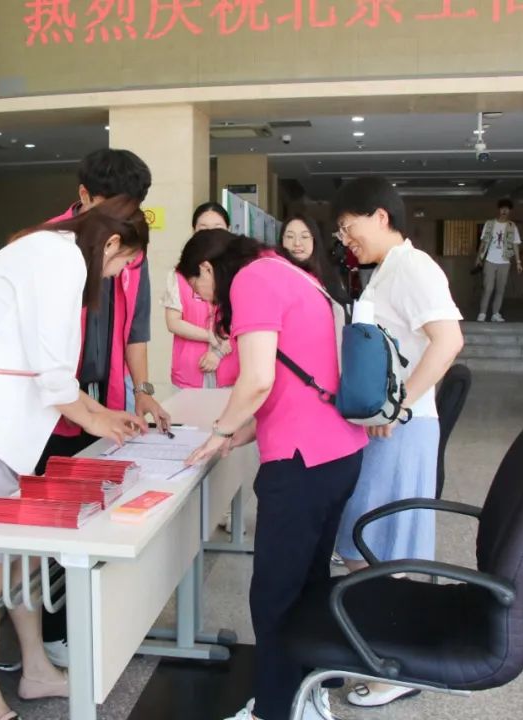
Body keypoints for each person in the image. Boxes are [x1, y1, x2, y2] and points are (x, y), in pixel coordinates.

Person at [0, 197, 150, 720]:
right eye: (122, 263)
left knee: (21, 555)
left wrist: (103, 414)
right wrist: (99, 421)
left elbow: (47, 372)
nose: (117, 275)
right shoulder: (60, 259)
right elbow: (53, 374)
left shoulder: (51, 251)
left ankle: (37, 671)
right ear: (112, 242)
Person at [180, 230, 369, 720]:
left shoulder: (251, 280)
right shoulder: (292, 273)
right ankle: (308, 695)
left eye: (197, 287)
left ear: (207, 267)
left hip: (302, 464)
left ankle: (273, 711)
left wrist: (220, 431)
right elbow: (297, 379)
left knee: (274, 595)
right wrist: (236, 435)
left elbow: (259, 378)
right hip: (340, 451)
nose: (203, 299)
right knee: (308, 583)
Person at [331, 177, 464, 708]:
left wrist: (400, 403)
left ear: (380, 216)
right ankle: (381, 649)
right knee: (365, 540)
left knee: (386, 547)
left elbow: (448, 340)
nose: (346, 238)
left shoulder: (413, 267)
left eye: (349, 226)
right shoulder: (387, 270)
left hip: (403, 428)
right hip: (387, 426)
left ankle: (398, 665)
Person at [36, 148, 171, 666]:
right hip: (54, 403)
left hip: (106, 397)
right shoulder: (50, 244)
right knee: (58, 513)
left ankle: (96, 617)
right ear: (84, 196)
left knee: (103, 508)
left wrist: (143, 388)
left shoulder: (133, 247)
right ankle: (56, 629)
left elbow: (137, 327)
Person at [162, 202, 237, 390]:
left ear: (228, 230)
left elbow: (244, 324)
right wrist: (210, 336)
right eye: (203, 229)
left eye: (217, 228)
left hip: (231, 376)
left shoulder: (240, 272)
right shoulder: (179, 274)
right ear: (193, 231)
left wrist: (218, 353)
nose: (210, 235)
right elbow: (173, 322)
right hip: (188, 375)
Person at [278, 214, 350, 304]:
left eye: (304, 236)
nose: (297, 243)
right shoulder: (273, 276)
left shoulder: (329, 277)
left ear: (314, 241)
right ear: (282, 241)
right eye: (290, 236)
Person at [475, 198, 523, 322]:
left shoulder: (512, 226)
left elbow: (515, 244)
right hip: (490, 260)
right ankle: (482, 313)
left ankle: (495, 313)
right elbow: (483, 242)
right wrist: (479, 258)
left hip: (505, 261)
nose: (504, 211)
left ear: (510, 211)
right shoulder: (490, 224)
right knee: (488, 287)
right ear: (499, 210)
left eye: (507, 209)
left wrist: (518, 262)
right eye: (502, 208)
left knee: (500, 289)